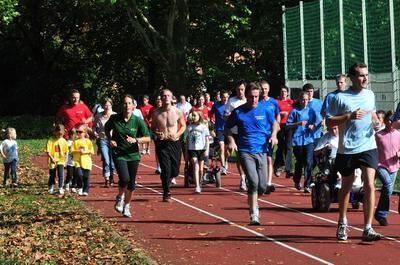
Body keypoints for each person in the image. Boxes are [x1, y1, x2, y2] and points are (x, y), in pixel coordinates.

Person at [326, 62, 382, 242]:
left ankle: (368, 228)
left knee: (370, 185)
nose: (365, 78)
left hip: (368, 145)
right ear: (352, 78)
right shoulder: (340, 98)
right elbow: (329, 122)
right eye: (360, 75)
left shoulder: (370, 94)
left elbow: (372, 113)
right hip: (348, 148)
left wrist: (376, 122)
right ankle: (342, 222)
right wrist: (349, 116)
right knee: (346, 187)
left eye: (366, 75)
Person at [225, 82, 279, 225]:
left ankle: (253, 200)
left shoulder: (265, 109)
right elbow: (227, 128)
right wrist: (231, 141)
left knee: (262, 186)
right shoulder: (238, 112)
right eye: (251, 97)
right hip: (245, 151)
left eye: (256, 97)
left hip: (262, 150)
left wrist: (274, 135)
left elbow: (275, 124)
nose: (254, 100)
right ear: (246, 96)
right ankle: (254, 213)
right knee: (253, 181)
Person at [105, 94, 150, 217]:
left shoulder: (137, 120)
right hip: (119, 153)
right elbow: (106, 129)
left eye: (129, 103)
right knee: (124, 178)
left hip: (133, 155)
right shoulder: (115, 118)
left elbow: (148, 137)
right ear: (122, 105)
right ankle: (120, 197)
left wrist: (136, 140)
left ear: (133, 105)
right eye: (125, 103)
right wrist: (110, 140)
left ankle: (127, 205)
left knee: (131, 183)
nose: (127, 106)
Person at [151, 89, 186, 202]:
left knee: (175, 171)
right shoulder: (156, 113)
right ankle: (166, 192)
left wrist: (177, 134)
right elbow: (152, 128)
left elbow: (183, 126)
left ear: (172, 98)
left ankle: (168, 178)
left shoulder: (177, 112)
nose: (166, 97)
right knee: (165, 169)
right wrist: (158, 133)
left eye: (168, 96)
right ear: (161, 98)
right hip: (162, 143)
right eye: (164, 96)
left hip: (175, 142)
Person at [286, 92, 320, 193]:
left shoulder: (311, 110)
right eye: (302, 100)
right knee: (300, 162)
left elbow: (319, 121)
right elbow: (288, 125)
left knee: (309, 162)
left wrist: (312, 126)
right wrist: (298, 123)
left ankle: (307, 184)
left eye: (306, 100)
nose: (304, 102)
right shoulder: (295, 111)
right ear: (299, 100)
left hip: (309, 139)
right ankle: (297, 179)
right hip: (297, 140)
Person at [374, 111, 400, 226]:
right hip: (381, 165)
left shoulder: (398, 135)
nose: (390, 122)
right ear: (384, 121)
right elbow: (373, 149)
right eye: (388, 120)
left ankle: (380, 215)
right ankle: (382, 214)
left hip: (394, 166)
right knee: (388, 185)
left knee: (388, 192)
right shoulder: (378, 135)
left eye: (392, 120)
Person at [224, 80, 247, 191]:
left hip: (247, 132)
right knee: (239, 156)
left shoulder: (249, 100)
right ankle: (242, 179)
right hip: (235, 132)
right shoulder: (231, 101)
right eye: (238, 89)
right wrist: (228, 115)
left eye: (242, 89)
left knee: (248, 156)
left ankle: (249, 176)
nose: (240, 91)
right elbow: (225, 116)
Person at [259, 80, 280, 193]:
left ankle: (268, 183)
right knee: (259, 159)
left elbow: (277, 115)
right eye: (262, 88)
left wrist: (276, 130)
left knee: (268, 158)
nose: (264, 91)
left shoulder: (273, 102)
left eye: (265, 88)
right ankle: (258, 180)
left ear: (269, 89)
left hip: (270, 134)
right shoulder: (256, 102)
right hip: (259, 134)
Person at [93, 97, 117, 187]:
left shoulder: (115, 115)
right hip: (103, 139)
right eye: (105, 105)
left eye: (109, 105)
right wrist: (95, 133)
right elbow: (94, 126)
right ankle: (106, 179)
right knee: (106, 159)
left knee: (112, 161)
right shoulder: (98, 115)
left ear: (111, 105)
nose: (107, 107)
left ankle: (111, 177)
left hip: (113, 140)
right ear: (103, 106)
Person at [185, 110, 210, 193]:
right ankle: (197, 186)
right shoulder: (189, 127)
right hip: (192, 150)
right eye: (192, 116)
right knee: (195, 166)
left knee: (201, 169)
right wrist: (186, 152)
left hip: (202, 149)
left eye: (195, 115)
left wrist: (207, 150)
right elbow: (187, 140)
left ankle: (200, 182)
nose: (193, 117)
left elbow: (207, 140)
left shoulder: (204, 127)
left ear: (199, 116)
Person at [273, 85, 294, 178]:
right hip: (279, 125)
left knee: (289, 147)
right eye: (281, 91)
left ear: (287, 93)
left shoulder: (291, 102)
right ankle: (278, 165)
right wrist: (280, 113)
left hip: (289, 126)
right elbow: (272, 113)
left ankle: (289, 168)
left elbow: (295, 112)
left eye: (285, 91)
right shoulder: (276, 102)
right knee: (281, 146)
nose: (283, 93)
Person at [71, 125, 94, 196]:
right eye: (77, 132)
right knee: (79, 174)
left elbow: (92, 151)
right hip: (78, 162)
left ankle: (86, 190)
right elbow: (72, 150)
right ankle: (80, 187)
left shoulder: (88, 141)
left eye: (80, 132)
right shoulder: (75, 142)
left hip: (86, 162)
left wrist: (85, 151)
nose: (78, 133)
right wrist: (78, 151)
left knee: (86, 177)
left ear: (84, 133)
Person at [210, 90, 229, 175]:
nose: (225, 99)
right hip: (219, 129)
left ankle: (225, 160)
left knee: (229, 149)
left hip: (229, 130)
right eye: (224, 97)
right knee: (221, 147)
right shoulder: (216, 105)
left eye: (226, 97)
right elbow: (211, 114)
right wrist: (211, 120)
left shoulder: (230, 105)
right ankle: (224, 167)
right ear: (221, 97)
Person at [46, 124, 69, 195]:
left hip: (61, 160)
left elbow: (66, 152)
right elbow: (48, 151)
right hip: (53, 160)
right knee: (52, 174)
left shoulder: (64, 141)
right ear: (55, 132)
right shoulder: (51, 140)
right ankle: (51, 187)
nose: (59, 136)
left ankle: (60, 187)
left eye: (61, 134)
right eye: (58, 134)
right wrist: (52, 158)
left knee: (60, 173)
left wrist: (65, 161)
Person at [148, 95, 163, 174]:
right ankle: (158, 167)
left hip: (164, 132)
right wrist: (151, 123)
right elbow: (148, 118)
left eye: (160, 99)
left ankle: (164, 165)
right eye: (157, 99)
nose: (159, 101)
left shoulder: (165, 109)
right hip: (156, 132)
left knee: (164, 150)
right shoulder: (152, 109)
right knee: (158, 150)